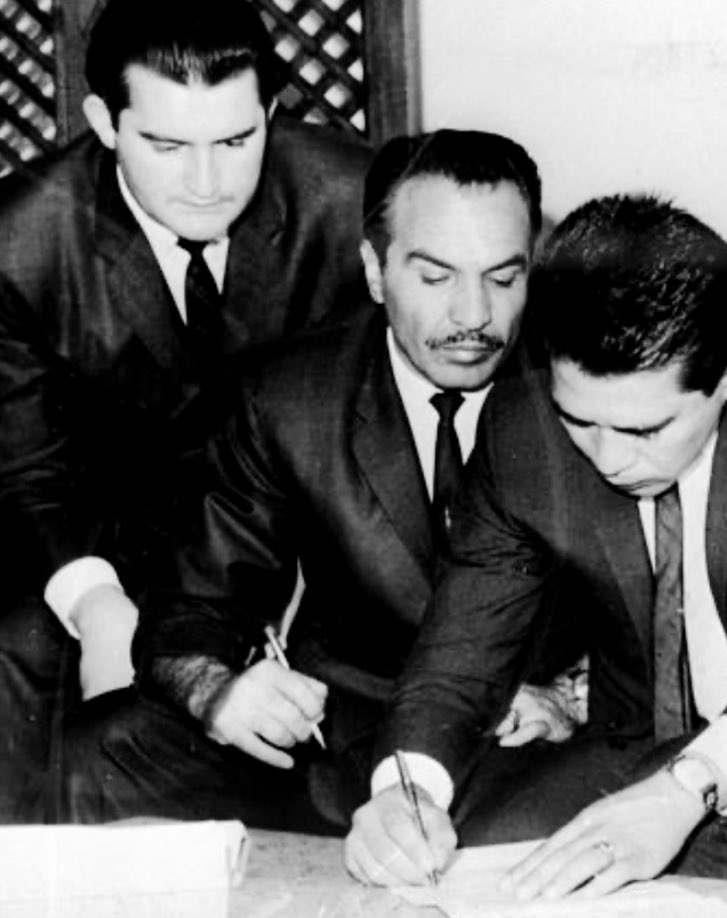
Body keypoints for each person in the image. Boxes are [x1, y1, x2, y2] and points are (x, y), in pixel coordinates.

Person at [343, 193, 727, 897]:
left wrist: (685, 789)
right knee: (463, 868)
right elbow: (460, 651)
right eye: (580, 420)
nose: (608, 458)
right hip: (638, 746)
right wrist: (405, 789)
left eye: (644, 431)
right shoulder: (523, 427)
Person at [63, 128, 583, 832]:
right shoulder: (289, 396)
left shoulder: (588, 388)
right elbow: (193, 608)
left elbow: (672, 613)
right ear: (374, 270)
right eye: (435, 277)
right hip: (331, 742)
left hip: (516, 745)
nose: (474, 317)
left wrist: (572, 697)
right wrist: (220, 693)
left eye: (503, 277)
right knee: (106, 751)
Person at [0, 0, 371, 821]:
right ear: (104, 121)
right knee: (17, 662)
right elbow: (29, 474)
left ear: (270, 112)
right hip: (110, 552)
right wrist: (101, 613)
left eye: (236, 141)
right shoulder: (18, 243)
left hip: (306, 541)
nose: (208, 183)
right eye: (167, 146)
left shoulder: (354, 203)